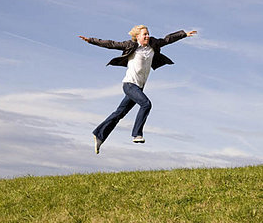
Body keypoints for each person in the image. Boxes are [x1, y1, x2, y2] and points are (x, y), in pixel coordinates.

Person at [79, 25, 197, 154]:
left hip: (139, 87)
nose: (147, 36)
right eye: (144, 34)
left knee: (119, 113)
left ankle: (99, 135)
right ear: (137, 37)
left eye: (148, 34)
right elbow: (111, 44)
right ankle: (137, 134)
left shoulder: (153, 44)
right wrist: (91, 40)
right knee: (146, 104)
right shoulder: (130, 45)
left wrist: (184, 34)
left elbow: (168, 39)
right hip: (129, 85)